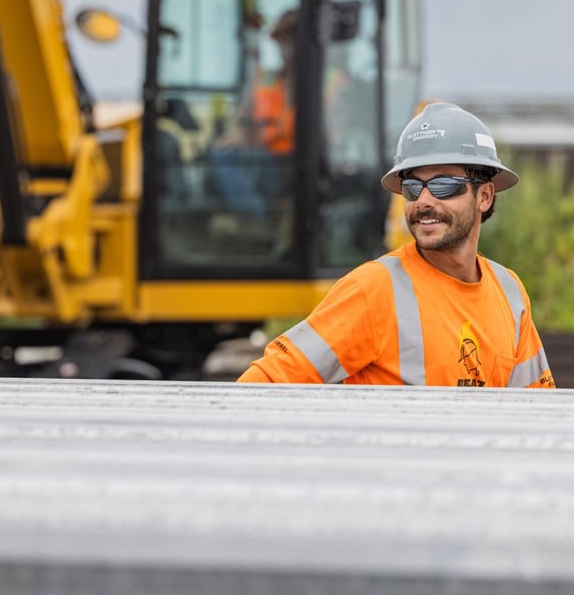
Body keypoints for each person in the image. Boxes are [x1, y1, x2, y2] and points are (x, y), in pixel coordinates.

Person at [238, 102, 555, 388]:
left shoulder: (509, 293)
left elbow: (536, 412)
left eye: (444, 185)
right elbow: (265, 381)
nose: (424, 201)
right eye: (413, 187)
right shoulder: (374, 289)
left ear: (484, 196)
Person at [208, 9, 296, 217]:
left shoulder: (327, 82)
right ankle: (254, 216)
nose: (287, 50)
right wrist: (236, 134)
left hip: (299, 164)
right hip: (267, 160)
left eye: (292, 42)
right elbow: (241, 115)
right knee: (222, 153)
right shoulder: (266, 79)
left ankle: (255, 216)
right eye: (283, 43)